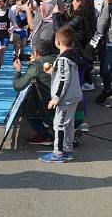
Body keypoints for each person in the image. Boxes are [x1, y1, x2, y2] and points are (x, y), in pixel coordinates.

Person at [39, 27, 83, 163]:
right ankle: (67, 150)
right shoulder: (70, 56)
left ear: (57, 42)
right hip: (73, 96)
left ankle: (58, 153)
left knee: (59, 124)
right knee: (68, 124)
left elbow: (64, 79)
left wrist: (56, 98)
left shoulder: (63, 59)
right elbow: (64, 74)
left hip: (66, 98)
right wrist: (53, 72)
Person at [13, 40, 57, 146]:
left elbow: (18, 86)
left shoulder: (36, 66)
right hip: (68, 100)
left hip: (49, 103)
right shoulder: (59, 59)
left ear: (37, 53)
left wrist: (18, 71)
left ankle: (45, 136)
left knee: (27, 110)